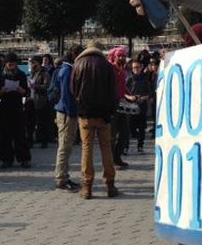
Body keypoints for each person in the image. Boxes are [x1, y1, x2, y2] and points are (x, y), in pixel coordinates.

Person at [71, 40, 119, 199]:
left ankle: (87, 187)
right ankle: (110, 185)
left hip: (85, 114)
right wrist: (111, 111)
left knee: (86, 149)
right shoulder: (107, 66)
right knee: (106, 148)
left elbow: (73, 89)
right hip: (104, 115)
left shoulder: (78, 65)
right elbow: (114, 92)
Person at [53, 45, 83, 192]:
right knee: (64, 146)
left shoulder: (69, 69)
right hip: (66, 113)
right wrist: (73, 114)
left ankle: (64, 175)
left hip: (68, 112)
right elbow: (66, 96)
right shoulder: (67, 70)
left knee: (67, 146)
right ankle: (61, 178)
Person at [0, 52, 31, 168]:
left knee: (20, 134)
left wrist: (22, 91)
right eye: (10, 64)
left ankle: (24, 158)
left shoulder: (21, 75)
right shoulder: (1, 75)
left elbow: (26, 91)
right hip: (4, 107)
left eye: (14, 64)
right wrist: (2, 91)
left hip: (17, 107)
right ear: (6, 64)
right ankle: (6, 159)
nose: (12, 66)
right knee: (5, 134)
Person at [126, 58, 151, 153]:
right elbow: (123, 92)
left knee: (141, 128)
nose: (135, 69)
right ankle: (126, 147)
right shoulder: (128, 78)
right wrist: (130, 97)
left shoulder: (145, 79)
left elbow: (149, 93)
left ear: (141, 68)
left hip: (141, 106)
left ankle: (140, 146)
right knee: (128, 128)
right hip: (130, 105)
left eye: (137, 67)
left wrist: (142, 98)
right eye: (133, 68)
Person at [29, 55, 52, 149]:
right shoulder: (32, 72)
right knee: (31, 122)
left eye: (33, 62)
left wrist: (36, 86)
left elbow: (47, 86)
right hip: (32, 99)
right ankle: (32, 140)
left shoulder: (44, 73)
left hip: (41, 100)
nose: (32, 64)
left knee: (42, 122)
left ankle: (44, 141)